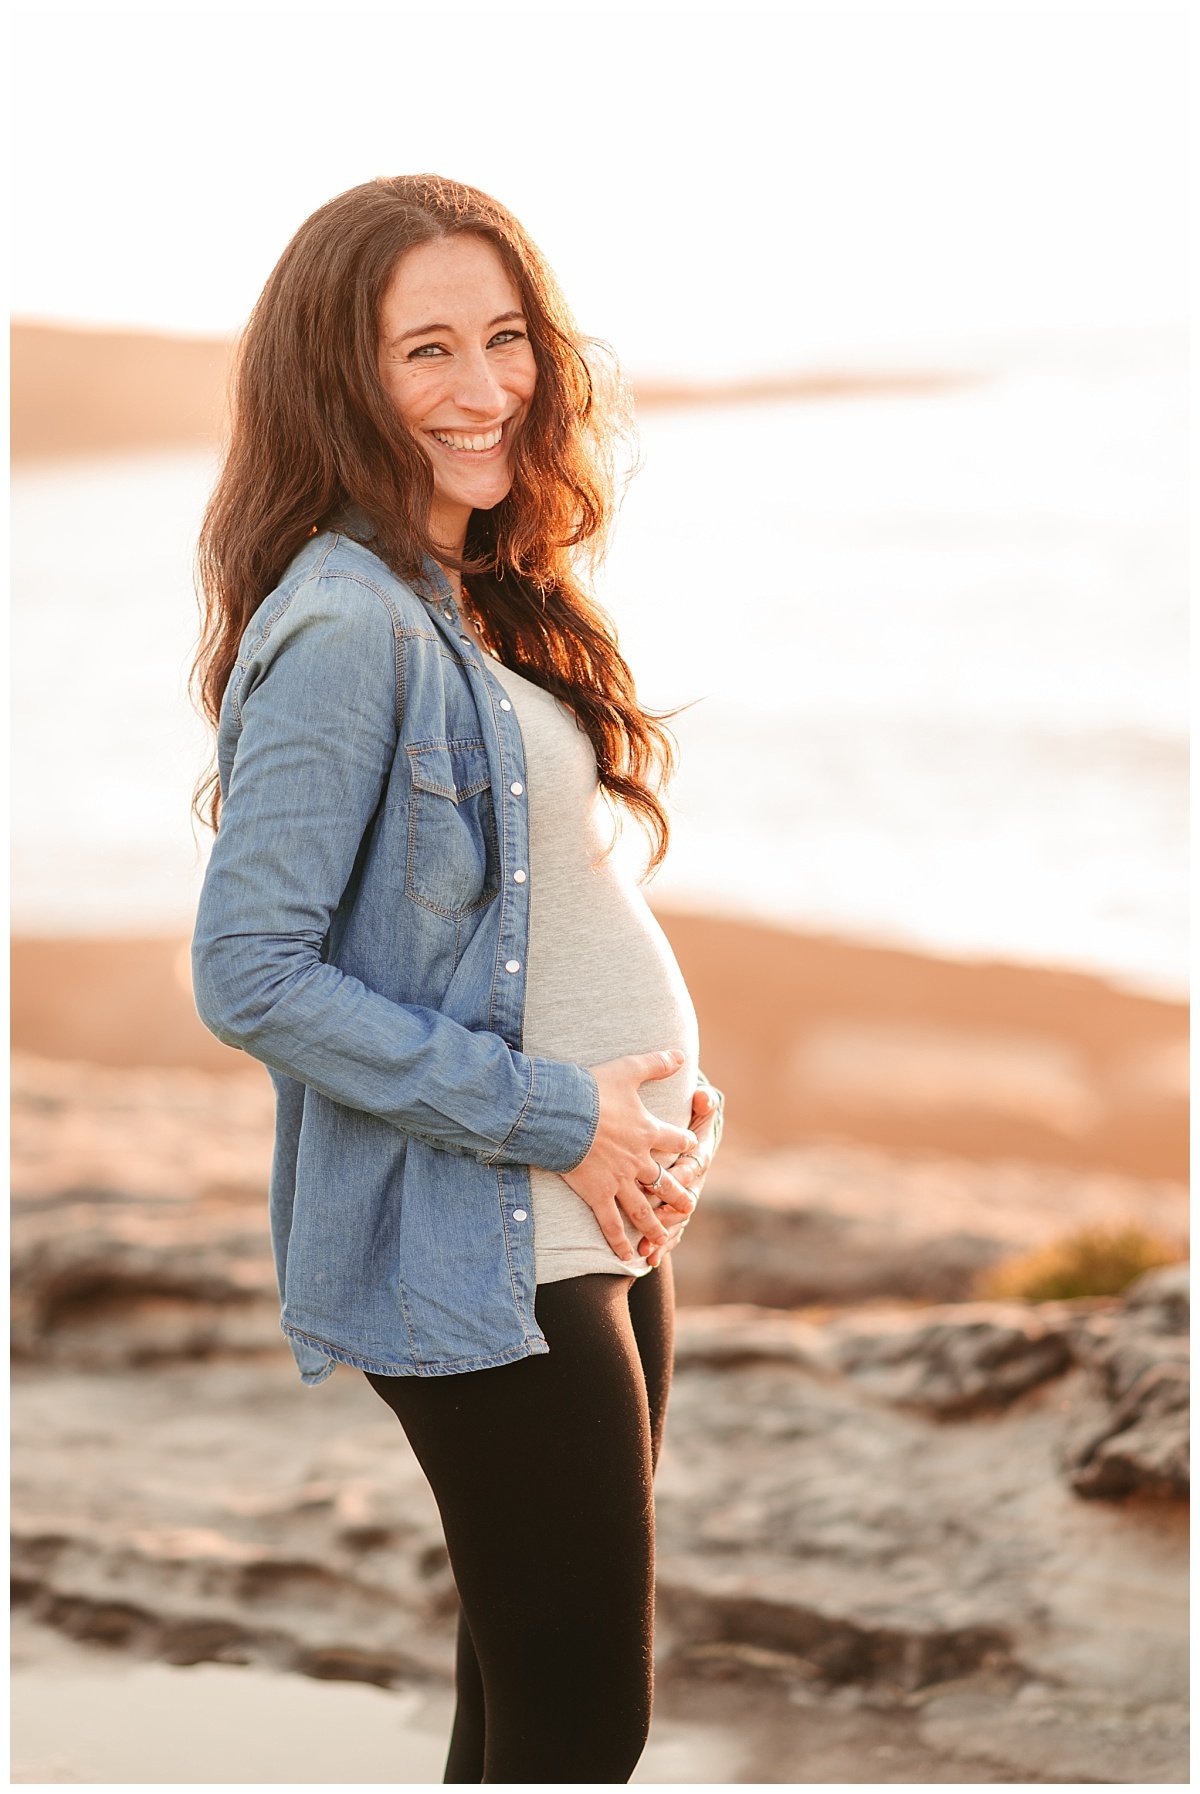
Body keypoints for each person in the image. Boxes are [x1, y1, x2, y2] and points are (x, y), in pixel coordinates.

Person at [190, 174, 725, 1784]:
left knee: (521, 1717)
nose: (483, 389)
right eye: (426, 350)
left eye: (503, 338)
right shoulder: (348, 623)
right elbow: (248, 969)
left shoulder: (472, 598)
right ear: (338, 378)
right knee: (579, 1735)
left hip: (590, 1213)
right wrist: (564, 1110)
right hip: (491, 1237)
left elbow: (537, 912)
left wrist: (649, 1100)